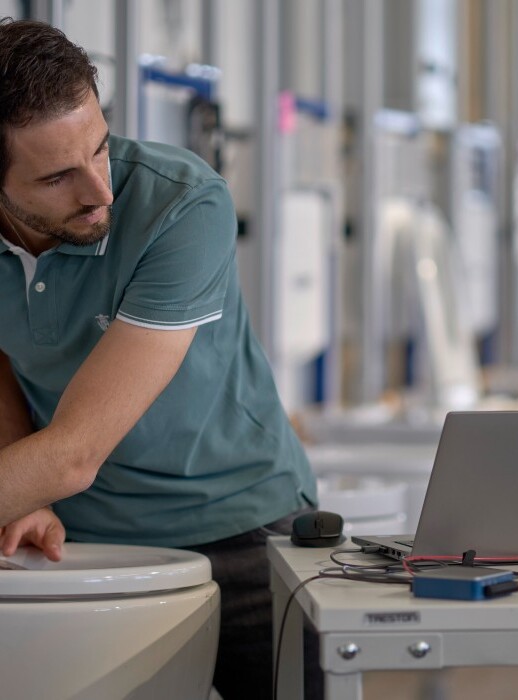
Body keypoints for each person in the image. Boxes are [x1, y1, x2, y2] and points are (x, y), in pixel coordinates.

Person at [0, 17, 319, 700]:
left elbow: (73, 455)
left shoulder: (180, 205)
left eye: (101, 148)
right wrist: (27, 494)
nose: (98, 190)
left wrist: (41, 478)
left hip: (241, 526)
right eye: (58, 177)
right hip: (79, 539)